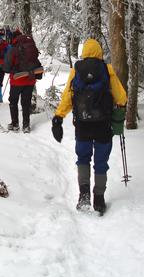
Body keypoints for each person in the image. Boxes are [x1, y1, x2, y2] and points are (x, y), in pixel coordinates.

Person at [51, 38, 127, 214]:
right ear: (100, 52)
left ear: (84, 52)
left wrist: (58, 117)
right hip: (103, 126)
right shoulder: (107, 70)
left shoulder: (76, 71)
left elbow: (68, 98)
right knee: (101, 163)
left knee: (83, 159)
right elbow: (122, 98)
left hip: (82, 126)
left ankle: (84, 195)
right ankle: (99, 199)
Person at [3, 30, 40, 133]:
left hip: (17, 81)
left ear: (14, 38)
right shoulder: (31, 46)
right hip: (30, 80)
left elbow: (6, 67)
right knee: (26, 103)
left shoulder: (13, 49)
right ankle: (26, 126)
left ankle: (15, 124)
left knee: (13, 101)